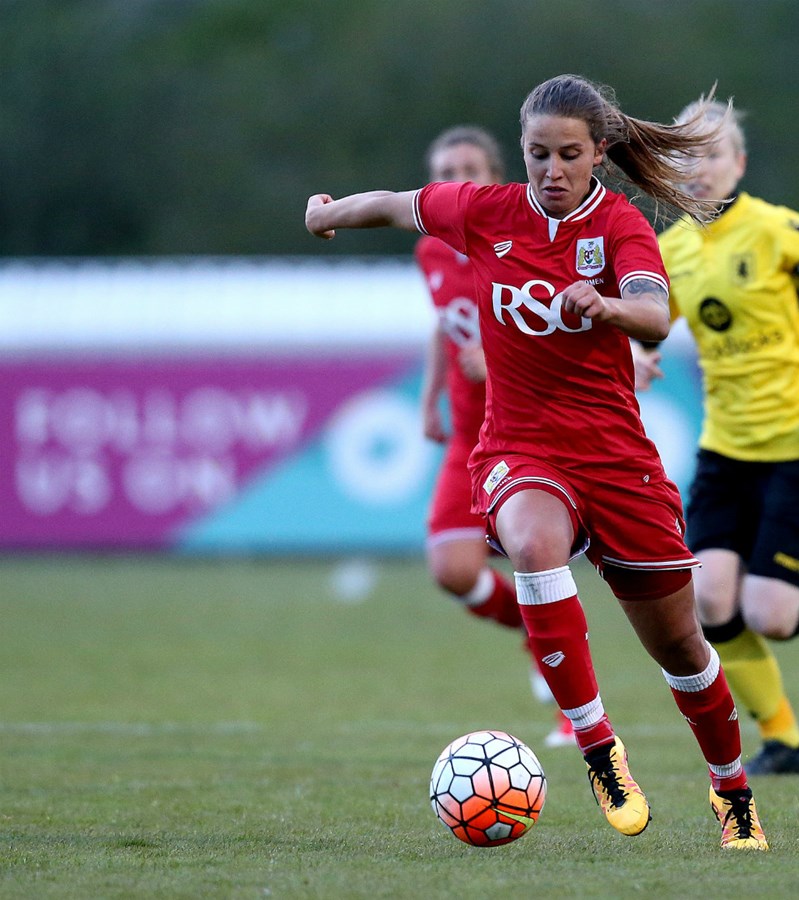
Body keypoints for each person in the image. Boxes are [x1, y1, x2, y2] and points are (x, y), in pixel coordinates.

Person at [306, 74, 768, 850]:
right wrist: (328, 214)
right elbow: (393, 203)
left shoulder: (619, 224)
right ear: (520, 153)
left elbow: (654, 312)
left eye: (568, 155)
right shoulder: (488, 212)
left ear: (598, 155)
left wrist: (610, 305)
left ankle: (734, 794)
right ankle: (598, 748)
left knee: (682, 648)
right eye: (537, 154)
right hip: (521, 448)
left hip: (618, 460)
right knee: (532, 543)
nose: (551, 170)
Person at [642, 98, 799, 775]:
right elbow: (648, 326)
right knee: (712, 600)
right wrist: (639, 355)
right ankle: (785, 739)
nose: (699, 169)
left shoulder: (780, 233)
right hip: (726, 448)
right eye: (686, 156)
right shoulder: (670, 252)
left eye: (713, 154)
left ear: (739, 163)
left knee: (773, 613)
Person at [415, 125, 573, 748]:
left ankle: (576, 717)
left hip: (528, 430)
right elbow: (442, 325)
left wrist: (502, 352)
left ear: (496, 176)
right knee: (452, 569)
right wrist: (430, 398)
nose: (457, 178)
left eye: (469, 167)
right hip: (467, 434)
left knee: (541, 568)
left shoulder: (520, 235)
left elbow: (561, 318)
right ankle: (536, 634)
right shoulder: (430, 248)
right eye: (444, 169)